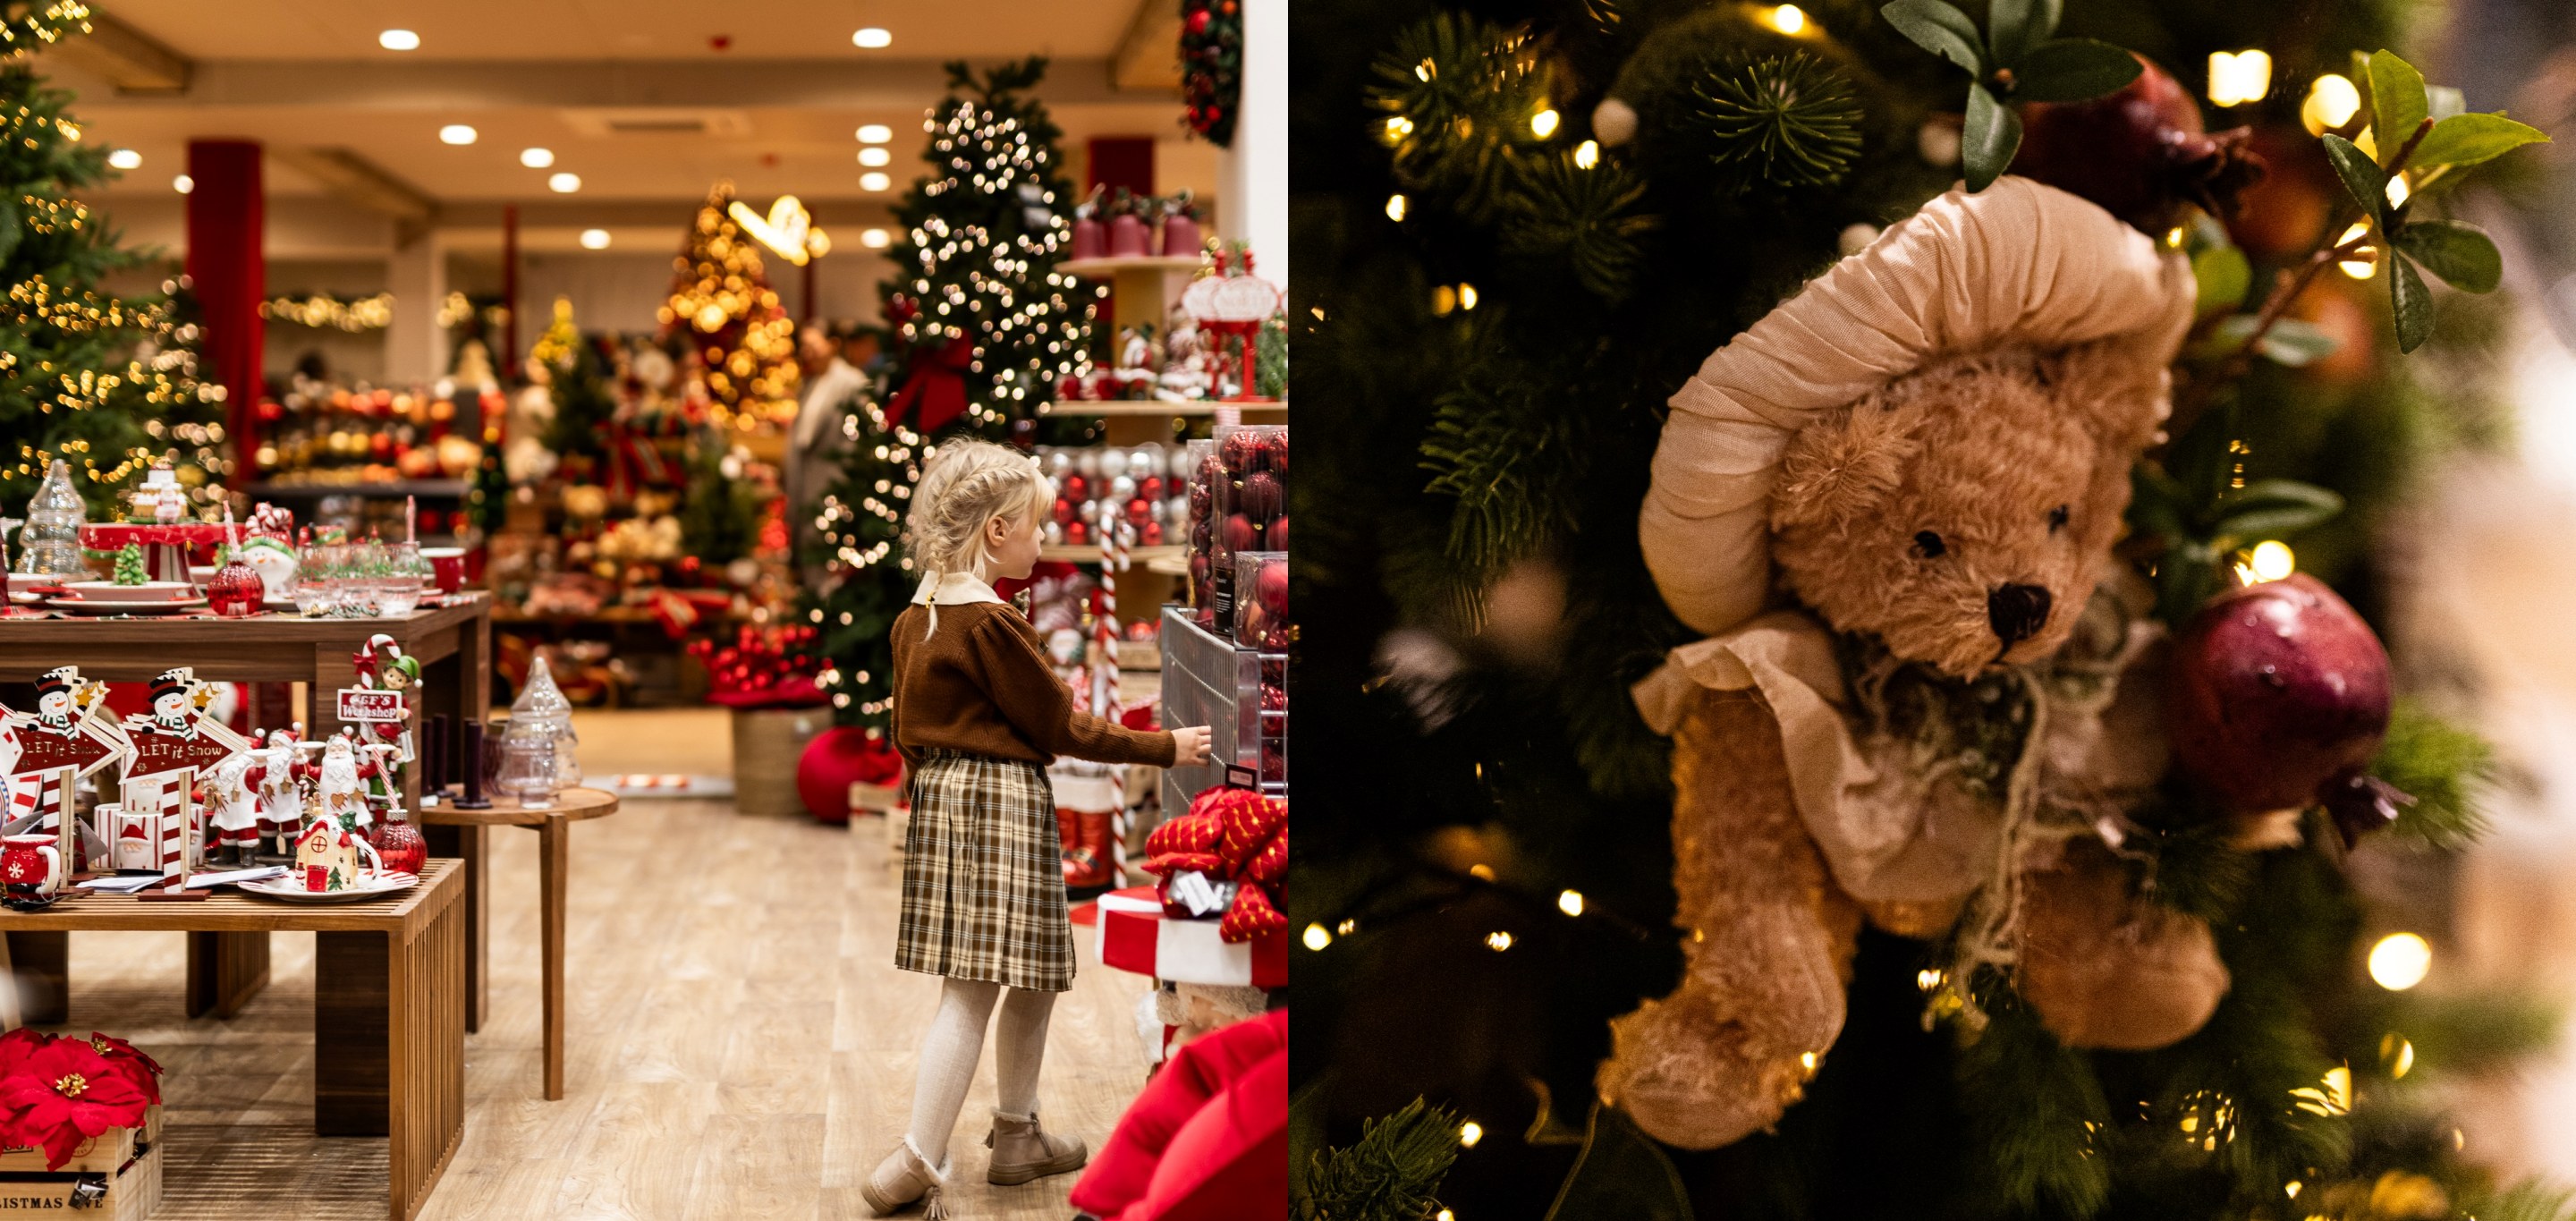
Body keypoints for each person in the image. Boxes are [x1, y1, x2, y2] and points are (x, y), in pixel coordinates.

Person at [864, 439, 1214, 1217]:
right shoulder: (992, 623)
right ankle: (918, 1154)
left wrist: (934, 787)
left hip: (942, 796)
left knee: (1025, 973)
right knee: (975, 989)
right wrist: (1164, 746)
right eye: (1036, 524)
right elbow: (1060, 725)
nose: (1045, 537)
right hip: (1002, 800)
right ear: (996, 531)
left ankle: (1017, 1134)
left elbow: (905, 733)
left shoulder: (916, 617)